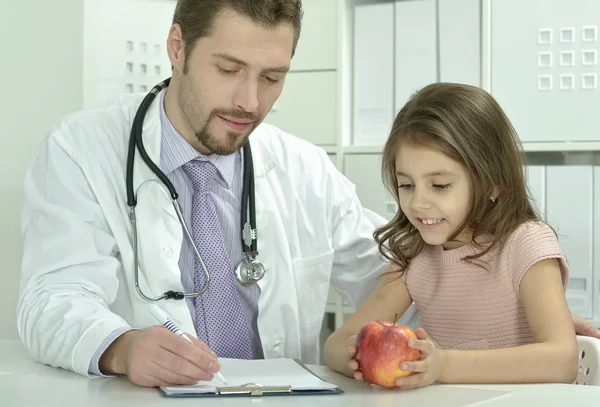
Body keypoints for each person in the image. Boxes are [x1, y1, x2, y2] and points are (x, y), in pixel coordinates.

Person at [17, 0, 598, 390]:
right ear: (177, 47)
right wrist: (120, 346)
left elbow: (396, 270)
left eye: (272, 78)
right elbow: (50, 300)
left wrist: (502, 298)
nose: (249, 100)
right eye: (229, 68)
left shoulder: (300, 167)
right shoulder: (81, 150)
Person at [324, 82, 585, 388]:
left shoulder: (526, 245)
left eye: (440, 185)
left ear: (492, 184)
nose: (418, 202)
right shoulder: (413, 255)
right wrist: (352, 358)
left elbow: (562, 359)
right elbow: (336, 342)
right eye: (406, 185)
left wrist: (444, 364)